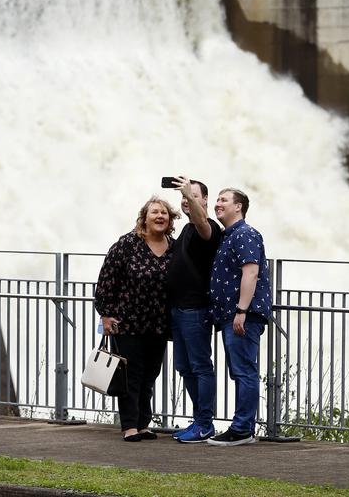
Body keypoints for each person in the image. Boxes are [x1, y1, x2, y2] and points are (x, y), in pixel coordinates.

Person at [95, 196, 179, 441]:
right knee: (130, 374)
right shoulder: (127, 244)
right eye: (155, 212)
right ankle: (130, 425)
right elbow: (107, 280)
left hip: (159, 324)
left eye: (164, 213)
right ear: (144, 218)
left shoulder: (174, 247)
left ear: (170, 220)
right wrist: (106, 314)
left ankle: (143, 423)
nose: (160, 216)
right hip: (128, 322)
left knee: (150, 374)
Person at [207, 187, 271, 447]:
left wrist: (242, 311)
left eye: (224, 200)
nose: (218, 204)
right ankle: (241, 426)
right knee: (240, 371)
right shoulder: (228, 236)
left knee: (244, 371)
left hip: (243, 315)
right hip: (232, 315)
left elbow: (251, 272)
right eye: (217, 200)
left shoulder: (245, 234)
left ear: (239, 207)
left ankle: (242, 428)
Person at [165, 177, 221, 443]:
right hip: (179, 310)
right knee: (184, 367)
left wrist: (188, 192)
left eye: (193, 196)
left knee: (200, 366)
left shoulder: (208, 228)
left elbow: (201, 221)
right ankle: (199, 419)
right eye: (184, 197)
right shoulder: (187, 230)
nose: (186, 200)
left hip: (196, 310)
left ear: (205, 200)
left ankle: (205, 423)